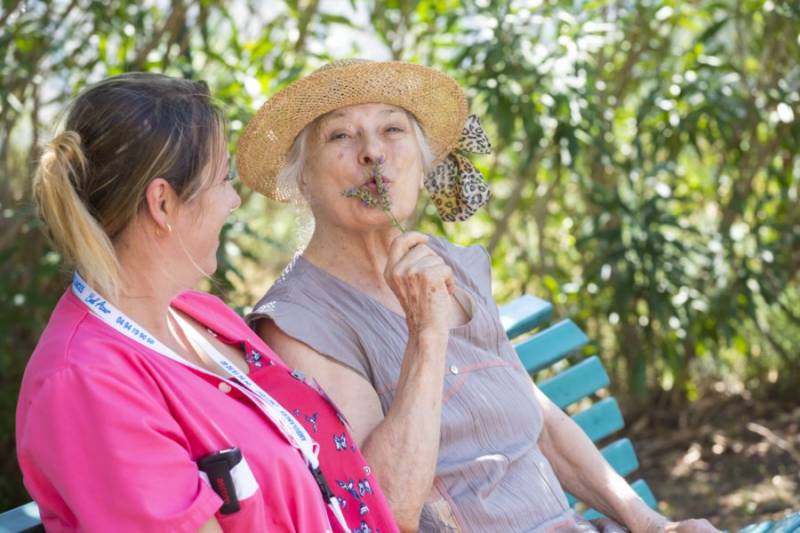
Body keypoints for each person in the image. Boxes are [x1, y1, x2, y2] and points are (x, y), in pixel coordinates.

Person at [236, 59, 722, 533]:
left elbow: (542, 422)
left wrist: (653, 524)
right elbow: (388, 508)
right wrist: (425, 334)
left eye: (392, 130)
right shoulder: (297, 322)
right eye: (340, 136)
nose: (372, 153)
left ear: (423, 163)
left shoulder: (456, 266)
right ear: (300, 177)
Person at [15, 72, 398, 533]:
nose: (234, 200)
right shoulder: (84, 383)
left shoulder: (200, 314)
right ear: (163, 204)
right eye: (223, 179)